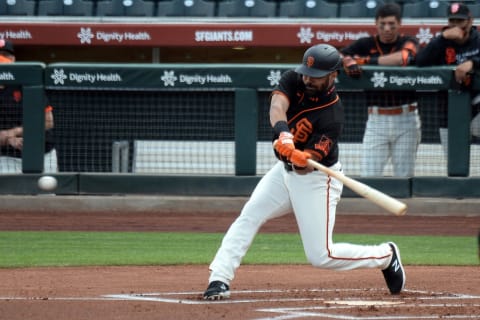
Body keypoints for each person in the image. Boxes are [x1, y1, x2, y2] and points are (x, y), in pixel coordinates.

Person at [202, 44, 405, 300]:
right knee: (249, 215)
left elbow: (305, 165)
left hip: (317, 180)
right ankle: (219, 278)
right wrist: (284, 133)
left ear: (333, 76)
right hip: (282, 173)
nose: (308, 78)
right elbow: (277, 105)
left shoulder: (333, 115)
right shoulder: (295, 77)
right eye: (307, 72)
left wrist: (301, 157)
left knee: (322, 255)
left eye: (317, 75)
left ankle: (385, 256)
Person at [340, 2, 421, 177]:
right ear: (376, 23)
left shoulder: (409, 41)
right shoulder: (365, 43)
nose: (387, 28)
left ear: (399, 24)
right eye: (382, 24)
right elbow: (338, 55)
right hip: (376, 119)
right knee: (369, 176)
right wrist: (348, 61)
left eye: (392, 24)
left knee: (404, 178)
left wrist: (363, 61)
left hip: (406, 118)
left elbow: (404, 58)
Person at [416, 2, 480, 157]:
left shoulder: (477, 38)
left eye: (460, 21)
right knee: (454, 159)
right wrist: (442, 37)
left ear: (470, 21)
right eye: (452, 21)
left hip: (476, 104)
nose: (456, 25)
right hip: (448, 109)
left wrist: (473, 63)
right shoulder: (442, 42)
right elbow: (420, 61)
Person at [0, 39, 58, 173]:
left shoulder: (27, 83)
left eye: (6, 55)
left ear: (13, 59)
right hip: (7, 157)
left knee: (47, 191)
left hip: (43, 153)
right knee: (10, 193)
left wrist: (13, 132)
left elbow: (49, 122)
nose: (2, 58)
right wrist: (9, 140)